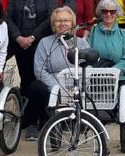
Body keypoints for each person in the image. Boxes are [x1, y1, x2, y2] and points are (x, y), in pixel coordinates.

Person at [24, 7, 89, 140]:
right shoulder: (45, 43)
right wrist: (57, 88)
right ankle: (34, 124)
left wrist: (72, 87)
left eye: (66, 20)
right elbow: (40, 70)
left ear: (72, 24)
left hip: (74, 86)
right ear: (53, 25)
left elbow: (88, 67)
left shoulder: (82, 43)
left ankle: (75, 121)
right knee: (35, 87)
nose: (62, 23)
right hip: (52, 86)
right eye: (58, 21)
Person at [7, 0, 58, 92]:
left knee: (40, 79)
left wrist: (33, 37)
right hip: (20, 43)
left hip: (41, 42)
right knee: (25, 78)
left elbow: (51, 17)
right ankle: (24, 111)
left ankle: (40, 111)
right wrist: (18, 37)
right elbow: (8, 17)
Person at [87, 0, 125, 81]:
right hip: (95, 77)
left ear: (117, 14)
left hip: (119, 76)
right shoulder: (92, 32)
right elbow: (87, 55)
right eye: (105, 11)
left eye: (112, 11)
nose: (108, 14)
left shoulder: (124, 34)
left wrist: (112, 73)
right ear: (100, 13)